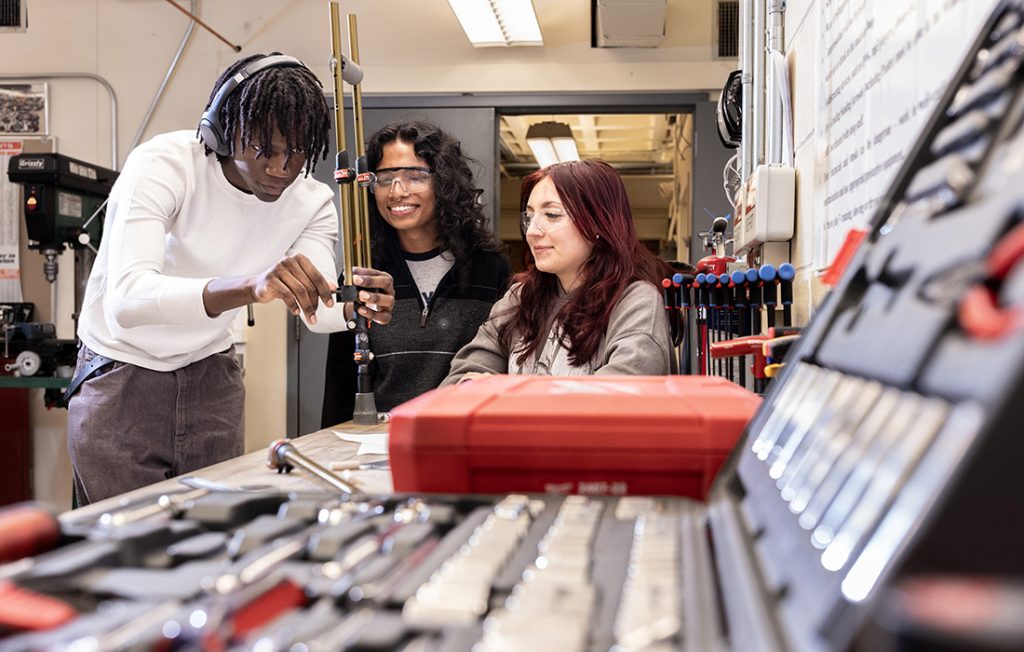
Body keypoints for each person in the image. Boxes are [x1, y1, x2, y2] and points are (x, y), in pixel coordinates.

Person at [66, 53, 395, 506]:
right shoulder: (165, 165)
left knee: (210, 532)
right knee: (127, 541)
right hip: (122, 372)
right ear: (222, 131)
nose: (282, 167)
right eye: (266, 149)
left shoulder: (311, 201)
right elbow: (127, 301)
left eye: (298, 151)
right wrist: (249, 286)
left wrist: (358, 309)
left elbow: (315, 310)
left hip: (211, 374)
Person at [321, 121, 511, 425]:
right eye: (385, 178)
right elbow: (339, 387)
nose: (397, 191)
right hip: (380, 442)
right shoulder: (364, 272)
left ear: (445, 183)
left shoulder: (490, 269)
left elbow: (505, 369)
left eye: (415, 176)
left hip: (466, 436)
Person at [442, 159, 673, 384]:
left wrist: (502, 393)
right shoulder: (520, 297)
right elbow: (464, 377)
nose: (532, 231)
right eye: (529, 217)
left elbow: (619, 392)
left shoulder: (635, 302)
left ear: (599, 224)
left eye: (552, 215)